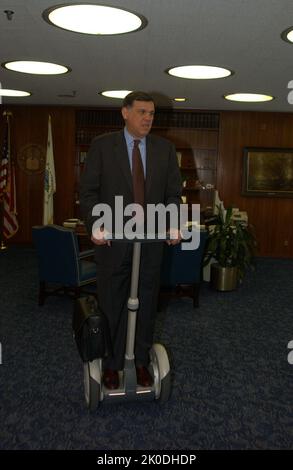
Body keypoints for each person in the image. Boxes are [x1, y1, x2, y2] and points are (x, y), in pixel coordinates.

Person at [80, 91, 182, 390]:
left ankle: (139, 361)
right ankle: (111, 364)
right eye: (141, 112)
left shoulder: (165, 149)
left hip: (149, 242)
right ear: (125, 112)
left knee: (147, 302)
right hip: (113, 241)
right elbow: (88, 193)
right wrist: (95, 225)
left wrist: (173, 223)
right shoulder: (102, 146)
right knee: (112, 303)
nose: (148, 118)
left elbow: (173, 194)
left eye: (152, 113)